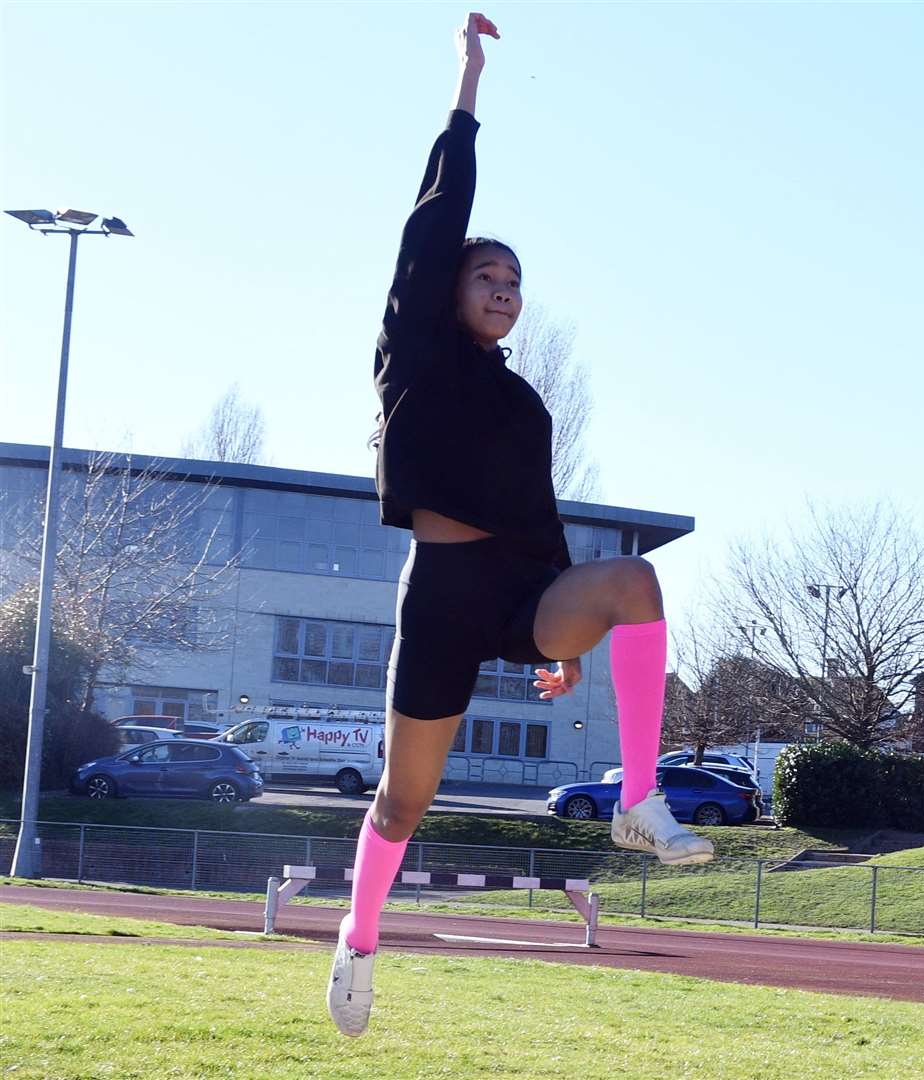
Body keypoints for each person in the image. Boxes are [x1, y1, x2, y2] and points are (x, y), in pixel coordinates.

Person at [327, 12, 711, 1038]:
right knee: (404, 803)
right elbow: (435, 219)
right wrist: (467, 87)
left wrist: (570, 636)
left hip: (517, 592)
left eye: (516, 288)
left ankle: (639, 800)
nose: (505, 295)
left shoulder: (526, 404)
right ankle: (357, 945)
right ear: (447, 290)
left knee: (633, 585)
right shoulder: (415, 353)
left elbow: (542, 528)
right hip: (442, 601)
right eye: (488, 280)